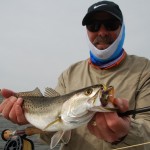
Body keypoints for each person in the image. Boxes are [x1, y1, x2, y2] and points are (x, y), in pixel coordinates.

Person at [0, 1, 150, 150]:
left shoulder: (145, 70)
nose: (102, 32)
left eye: (111, 24)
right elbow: (52, 135)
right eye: (94, 26)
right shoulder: (69, 74)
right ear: (87, 31)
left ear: (122, 29)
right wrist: (28, 119)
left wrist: (127, 132)